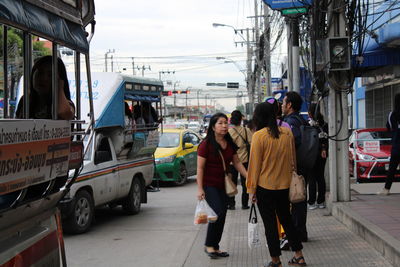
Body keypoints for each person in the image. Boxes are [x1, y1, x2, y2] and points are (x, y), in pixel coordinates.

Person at [247, 102, 306, 267]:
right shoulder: (287, 133)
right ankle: (299, 256)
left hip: (265, 188)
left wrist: (251, 190)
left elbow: (254, 166)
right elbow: (293, 160)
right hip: (285, 186)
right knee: (287, 221)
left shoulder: (259, 136)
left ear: (259, 117)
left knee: (270, 225)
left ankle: (275, 260)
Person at [196, 113, 248, 259]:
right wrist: (200, 188)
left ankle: (215, 246)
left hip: (223, 185)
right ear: (213, 127)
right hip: (209, 184)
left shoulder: (229, 143)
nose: (224, 126)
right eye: (220, 123)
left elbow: (237, 163)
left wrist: (249, 177)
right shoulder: (205, 145)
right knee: (217, 212)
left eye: (226, 123)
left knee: (223, 214)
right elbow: (200, 168)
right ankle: (209, 245)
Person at [282, 91, 309, 242]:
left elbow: (292, 143)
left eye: (284, 102)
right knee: (300, 198)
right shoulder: (302, 120)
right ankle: (301, 232)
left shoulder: (290, 122)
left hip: (295, 167)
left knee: (295, 199)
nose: (282, 106)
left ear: (289, 105)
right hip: (304, 164)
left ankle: (297, 234)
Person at [16, 56, 74, 120]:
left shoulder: (67, 104)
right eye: (40, 73)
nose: (44, 79)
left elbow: (63, 113)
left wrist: (59, 88)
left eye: (50, 75)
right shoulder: (26, 100)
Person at [227, 110, 252, 210]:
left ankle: (231, 204)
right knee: (245, 184)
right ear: (241, 119)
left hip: (232, 162)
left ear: (231, 119)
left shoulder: (229, 132)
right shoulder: (246, 131)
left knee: (232, 183)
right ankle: (244, 204)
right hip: (244, 161)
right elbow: (252, 143)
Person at [378, 93, 400, 195]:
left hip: (396, 146)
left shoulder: (392, 114)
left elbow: (389, 128)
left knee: (392, 169)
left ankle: (386, 189)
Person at [308, 103, 328, 209]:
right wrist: (324, 148)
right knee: (320, 177)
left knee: (312, 178)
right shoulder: (324, 124)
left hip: (312, 154)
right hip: (322, 154)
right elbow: (325, 138)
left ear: (311, 113)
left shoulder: (309, 125)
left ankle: (311, 202)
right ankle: (321, 201)